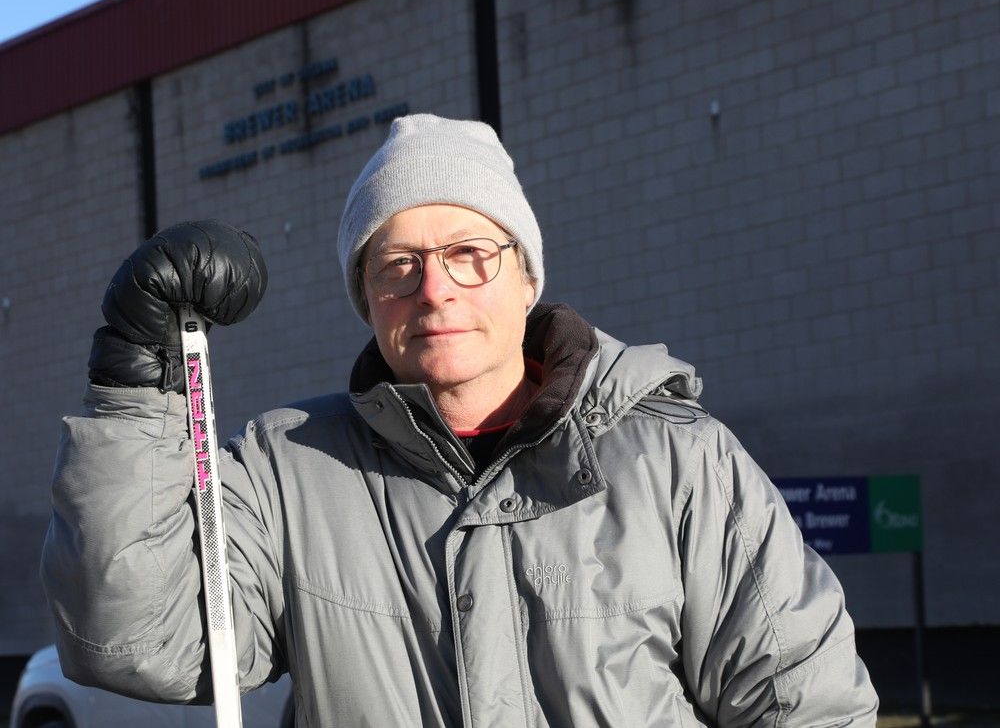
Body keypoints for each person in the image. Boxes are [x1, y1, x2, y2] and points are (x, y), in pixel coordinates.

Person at [42, 114, 878, 726]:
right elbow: (136, 640)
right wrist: (132, 384)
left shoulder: (678, 463)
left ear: (525, 277)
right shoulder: (287, 471)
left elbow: (804, 702)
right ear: (367, 299)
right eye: (397, 264)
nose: (434, 289)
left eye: (469, 255)